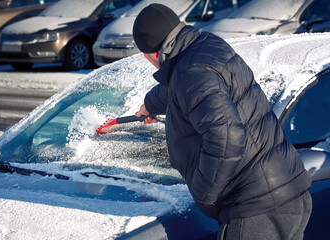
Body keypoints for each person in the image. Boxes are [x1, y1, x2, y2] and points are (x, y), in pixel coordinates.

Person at [132, 3, 312, 240]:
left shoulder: (190, 72)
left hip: (256, 209)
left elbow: (226, 136)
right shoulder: (206, 47)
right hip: (289, 194)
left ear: (152, 54)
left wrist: (205, 192)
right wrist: (149, 105)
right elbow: (182, 88)